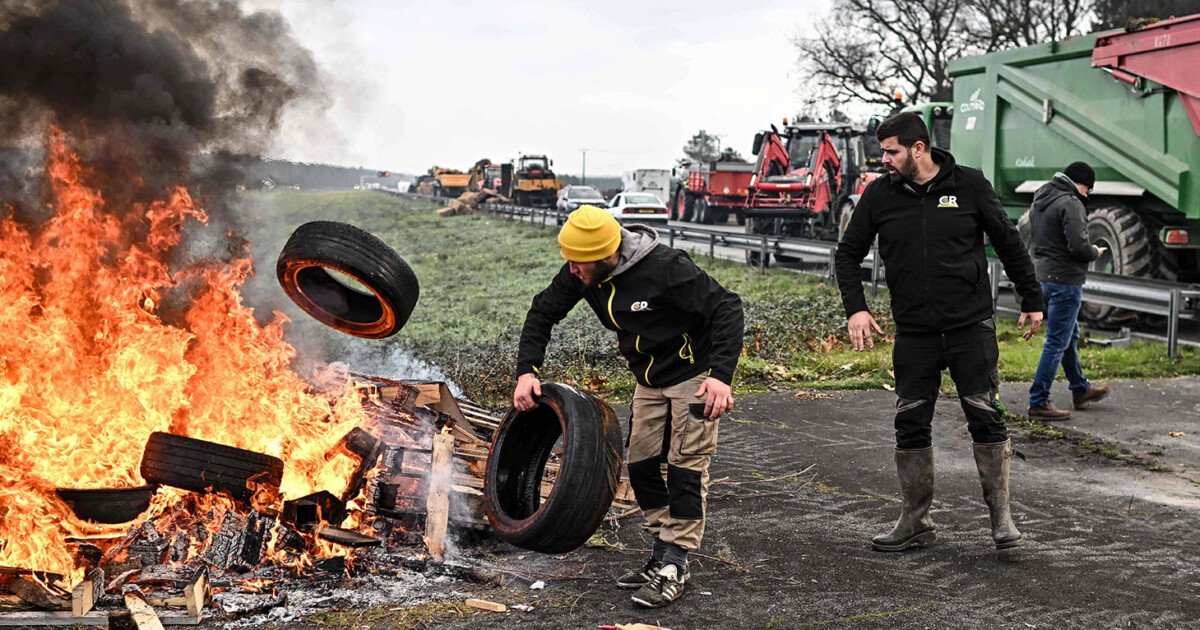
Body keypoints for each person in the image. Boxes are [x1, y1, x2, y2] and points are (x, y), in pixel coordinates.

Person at [513, 205, 744, 608]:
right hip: (648, 379)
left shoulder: (666, 267)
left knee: (686, 465)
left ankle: (676, 562)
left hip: (694, 375)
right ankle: (661, 551)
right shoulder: (581, 273)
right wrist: (526, 371)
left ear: (606, 255)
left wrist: (721, 376)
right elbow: (542, 311)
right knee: (639, 464)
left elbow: (727, 307)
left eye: (578, 262)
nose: (571, 269)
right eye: (567, 259)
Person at [834, 112, 1045, 553]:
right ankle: (915, 520)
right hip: (914, 332)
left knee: (984, 414)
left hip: (970, 326)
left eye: (891, 152)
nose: (884, 160)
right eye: (882, 153)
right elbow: (847, 254)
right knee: (910, 421)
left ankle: (1001, 518)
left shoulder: (968, 184)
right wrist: (856, 308)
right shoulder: (878, 195)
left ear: (918, 148)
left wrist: (1032, 299)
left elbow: (1008, 241)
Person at [1026, 162, 1111, 420]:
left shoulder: (1041, 196)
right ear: (1081, 183)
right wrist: (1094, 252)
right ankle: (1038, 401)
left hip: (1043, 277)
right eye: (1088, 190)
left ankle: (1080, 389)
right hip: (1065, 281)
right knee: (1057, 342)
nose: (1086, 196)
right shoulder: (1071, 203)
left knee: (1068, 335)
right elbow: (1078, 247)